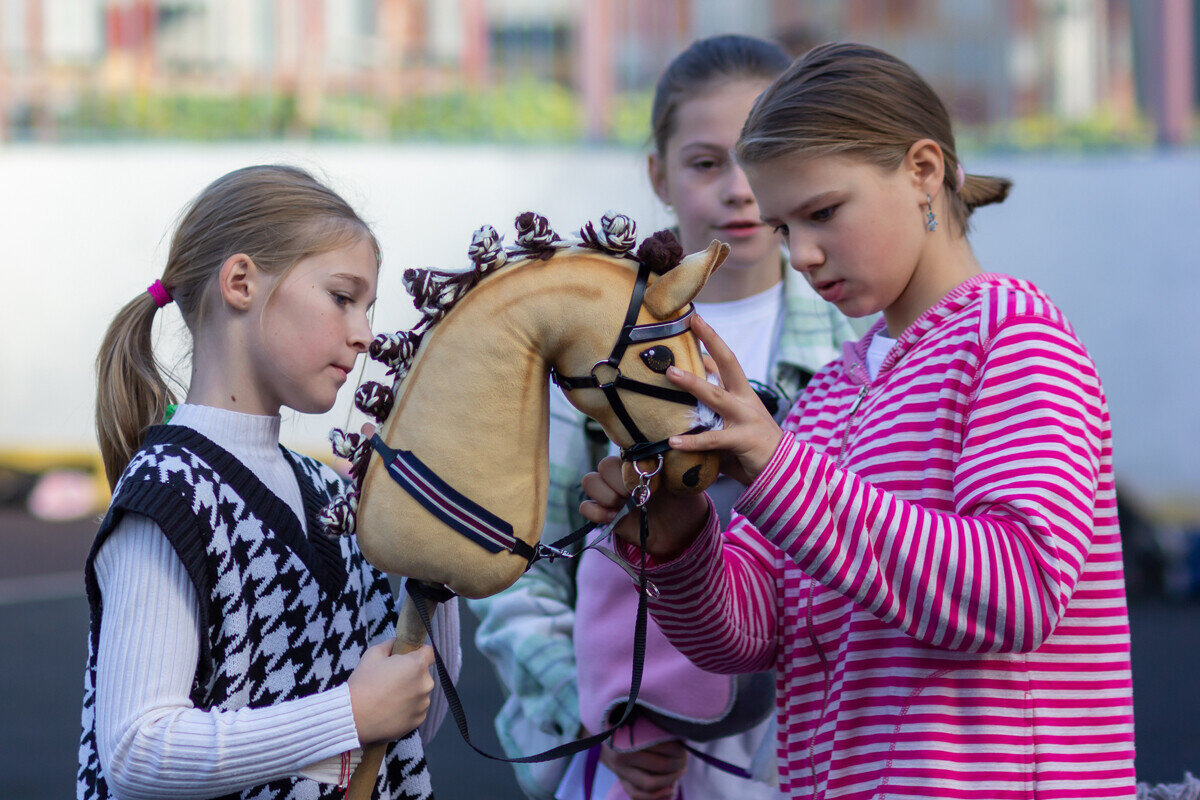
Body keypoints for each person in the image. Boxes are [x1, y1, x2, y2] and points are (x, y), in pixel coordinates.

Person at [580, 42, 1136, 799]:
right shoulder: (834, 390)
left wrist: (777, 469)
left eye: (823, 213)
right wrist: (675, 535)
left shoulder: (1013, 335)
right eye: (783, 227)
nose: (803, 254)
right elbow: (747, 637)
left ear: (923, 172)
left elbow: (1020, 588)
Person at [469, 35, 856, 800]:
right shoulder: (590, 364)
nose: (739, 190)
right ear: (659, 173)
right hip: (634, 766)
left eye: (760, 157)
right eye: (707, 162)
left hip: (802, 757)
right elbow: (520, 574)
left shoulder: (858, 354)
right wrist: (596, 715)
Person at [79, 164, 461, 800]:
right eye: (343, 297)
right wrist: (350, 713)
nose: (365, 334)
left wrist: (434, 551)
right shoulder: (168, 495)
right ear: (240, 282)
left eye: (368, 307)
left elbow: (404, 736)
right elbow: (138, 751)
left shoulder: (333, 492)